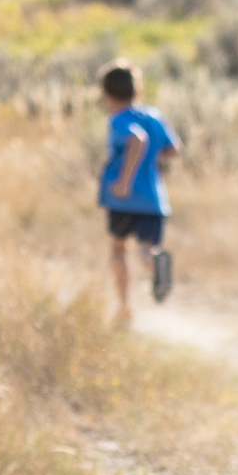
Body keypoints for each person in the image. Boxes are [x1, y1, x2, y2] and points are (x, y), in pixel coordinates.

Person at [97, 60, 181, 323]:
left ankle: (124, 307)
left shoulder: (119, 120)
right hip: (153, 199)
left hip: (122, 200)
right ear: (138, 90)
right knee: (147, 248)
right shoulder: (154, 116)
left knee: (118, 249)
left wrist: (124, 181)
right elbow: (174, 150)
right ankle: (156, 262)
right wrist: (152, 158)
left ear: (107, 95)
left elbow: (137, 139)